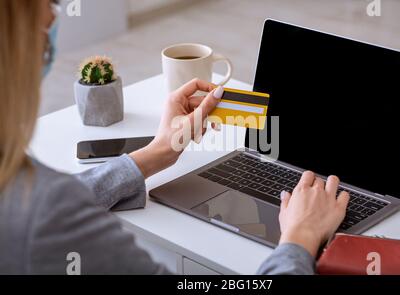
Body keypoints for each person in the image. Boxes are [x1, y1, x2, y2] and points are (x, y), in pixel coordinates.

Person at [0, 0, 349, 274]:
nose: (52, 15)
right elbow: (49, 210)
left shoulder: (24, 190)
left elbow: (48, 204)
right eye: (49, 2)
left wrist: (156, 153)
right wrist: (300, 237)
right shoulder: (43, 213)